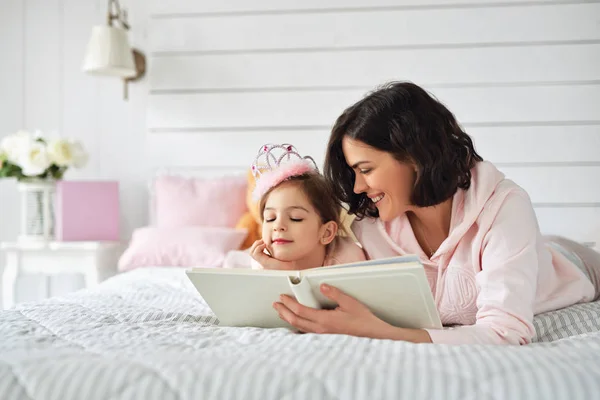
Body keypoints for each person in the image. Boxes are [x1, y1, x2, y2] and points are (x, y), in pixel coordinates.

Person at [271, 81, 600, 345]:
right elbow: (328, 277)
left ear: (414, 157)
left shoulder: (504, 206)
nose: (357, 186)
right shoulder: (370, 225)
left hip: (573, 264)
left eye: (366, 169)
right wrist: (282, 271)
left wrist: (378, 331)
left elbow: (505, 333)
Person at [237, 143, 366, 271]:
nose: (278, 226)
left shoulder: (347, 261)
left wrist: (289, 273)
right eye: (270, 218)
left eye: (295, 218)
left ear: (326, 232)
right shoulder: (262, 262)